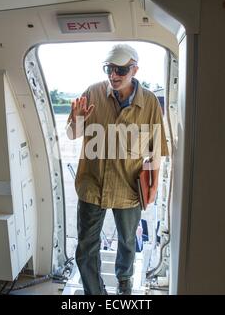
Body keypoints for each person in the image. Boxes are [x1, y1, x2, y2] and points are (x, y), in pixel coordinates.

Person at [66, 44, 169, 295]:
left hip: (128, 188)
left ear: (134, 69)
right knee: (86, 247)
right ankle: (95, 294)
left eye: (120, 70)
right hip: (92, 186)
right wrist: (77, 119)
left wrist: (153, 187)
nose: (113, 75)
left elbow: (156, 150)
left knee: (127, 243)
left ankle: (124, 283)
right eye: (109, 69)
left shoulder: (150, 102)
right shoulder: (92, 92)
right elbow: (71, 135)